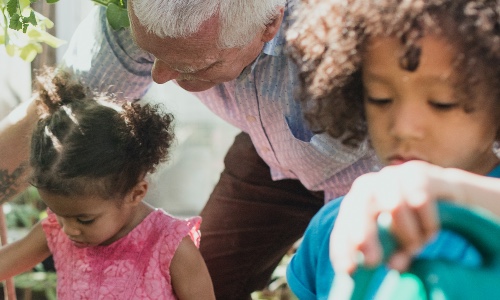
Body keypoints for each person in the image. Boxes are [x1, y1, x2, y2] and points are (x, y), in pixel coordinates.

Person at [0, 1, 381, 298]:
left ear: (269, 24)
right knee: (209, 272)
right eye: (152, 53)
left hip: (374, 170)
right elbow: (58, 124)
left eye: (188, 65)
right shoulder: (143, 22)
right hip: (271, 153)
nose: (158, 76)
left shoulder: (353, 30)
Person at [285, 0, 500, 298]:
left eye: (442, 103)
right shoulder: (334, 226)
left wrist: (456, 193)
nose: (403, 127)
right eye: (380, 98)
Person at [0, 68, 215, 300]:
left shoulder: (170, 247)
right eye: (59, 214)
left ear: (135, 193)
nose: (69, 229)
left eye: (85, 219)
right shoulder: (57, 231)